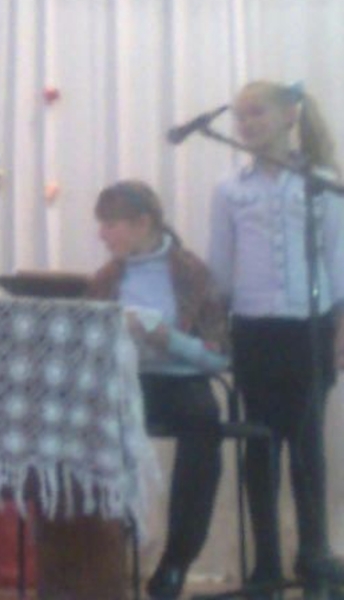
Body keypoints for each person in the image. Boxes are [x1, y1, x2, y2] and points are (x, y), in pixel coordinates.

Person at [207, 81, 344, 591]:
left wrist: (341, 327)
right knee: (261, 447)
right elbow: (221, 269)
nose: (246, 124)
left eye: (256, 113)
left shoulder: (321, 183)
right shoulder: (230, 190)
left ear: (289, 115)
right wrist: (217, 328)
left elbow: (338, 259)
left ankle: (313, 553)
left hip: (309, 329)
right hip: (254, 330)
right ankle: (265, 563)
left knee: (308, 445)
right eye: (240, 116)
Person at [89, 180, 228, 600]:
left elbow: (219, 357)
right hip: (125, 381)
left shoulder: (193, 273)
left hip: (181, 380)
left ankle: (176, 559)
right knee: (86, 423)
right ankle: (103, 554)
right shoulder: (106, 278)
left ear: (143, 223)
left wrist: (167, 338)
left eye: (110, 224)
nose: (102, 234)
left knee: (204, 420)